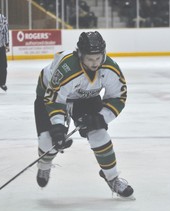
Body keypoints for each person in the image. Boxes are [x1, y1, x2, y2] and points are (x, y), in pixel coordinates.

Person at [34, 31, 134, 198]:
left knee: (99, 133)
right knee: (48, 139)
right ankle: (44, 165)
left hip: (86, 96)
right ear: (80, 55)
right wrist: (58, 126)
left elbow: (118, 97)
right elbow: (54, 99)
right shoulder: (67, 68)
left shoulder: (110, 68)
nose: (95, 63)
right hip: (50, 95)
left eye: (98, 58)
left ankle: (112, 178)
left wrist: (102, 117)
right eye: (89, 59)